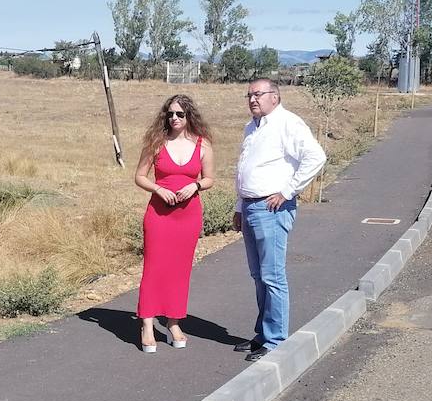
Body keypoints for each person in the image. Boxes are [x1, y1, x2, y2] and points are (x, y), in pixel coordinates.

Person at [232, 77, 326, 361]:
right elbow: (245, 170)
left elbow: (316, 157)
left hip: (271, 208)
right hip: (250, 207)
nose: (252, 100)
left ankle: (275, 341)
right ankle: (262, 333)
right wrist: (239, 206)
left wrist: (287, 191)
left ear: (275, 96)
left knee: (272, 276)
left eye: (257, 94)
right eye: (249, 95)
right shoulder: (252, 127)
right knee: (258, 275)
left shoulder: (288, 124)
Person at [134, 94, 215, 353]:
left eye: (180, 114)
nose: (174, 118)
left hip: (188, 216)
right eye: (170, 114)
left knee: (180, 271)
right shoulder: (156, 143)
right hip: (159, 215)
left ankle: (173, 322)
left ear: (189, 115)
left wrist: (196, 185)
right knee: (154, 268)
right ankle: (147, 324)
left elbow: (210, 178)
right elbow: (139, 176)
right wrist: (158, 189)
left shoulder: (203, 145)